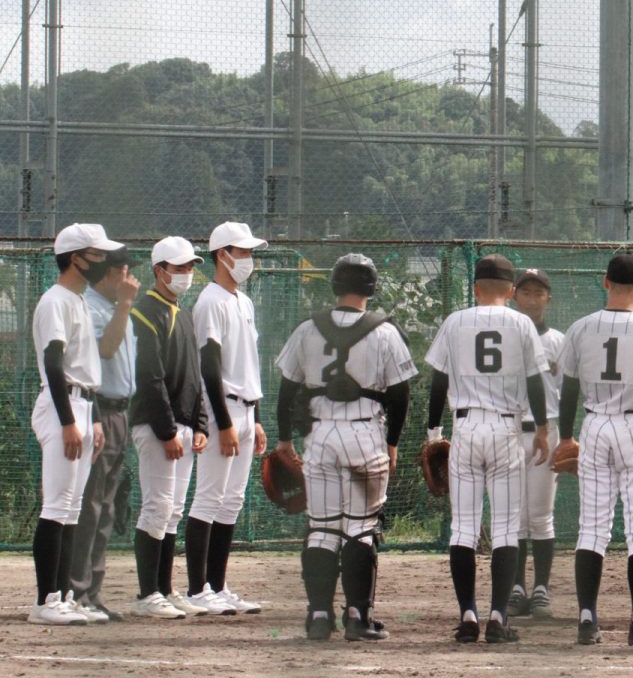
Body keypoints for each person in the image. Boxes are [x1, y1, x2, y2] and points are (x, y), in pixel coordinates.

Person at [275, 254, 415, 642]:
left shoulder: (307, 329)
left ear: (335, 286)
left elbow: (286, 392)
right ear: (371, 289)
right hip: (365, 433)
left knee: (321, 528)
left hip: (320, 436)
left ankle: (319, 615)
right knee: (361, 528)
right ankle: (358, 617)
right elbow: (402, 395)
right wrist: (392, 443)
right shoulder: (385, 332)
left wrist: (285, 439)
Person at [424, 254, 549, 644]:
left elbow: (437, 383)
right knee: (506, 528)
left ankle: (467, 616)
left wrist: (432, 432)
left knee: (462, 528)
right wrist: (543, 428)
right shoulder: (521, 323)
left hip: (465, 428)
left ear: (475, 288)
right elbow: (534, 383)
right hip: (506, 429)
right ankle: (498, 617)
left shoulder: (455, 321)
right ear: (511, 292)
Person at [556, 253, 633, 646]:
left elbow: (568, 390)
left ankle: (588, 620)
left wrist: (565, 436)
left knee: (592, 527)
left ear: (605, 282)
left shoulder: (579, 328)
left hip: (594, 424)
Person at [29, 224, 119, 625]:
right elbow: (54, 362)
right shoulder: (56, 300)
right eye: (96, 253)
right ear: (75, 257)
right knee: (56, 506)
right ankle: (46, 601)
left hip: (83, 405)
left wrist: (94, 419)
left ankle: (64, 595)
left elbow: (86, 369)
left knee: (71, 509)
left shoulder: (78, 300)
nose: (103, 260)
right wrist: (68, 422)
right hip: (62, 404)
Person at [185, 221, 268, 615]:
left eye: (251, 252)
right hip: (225, 408)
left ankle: (218, 585)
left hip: (247, 407)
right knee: (209, 498)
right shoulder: (210, 301)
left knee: (231, 500)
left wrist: (259, 417)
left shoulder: (243, 301)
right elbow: (209, 367)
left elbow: (250, 363)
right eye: (243, 252)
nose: (248, 259)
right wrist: (221, 422)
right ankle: (196, 589)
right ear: (223, 255)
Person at [128, 237, 209, 619]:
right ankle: (147, 594)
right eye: (179, 268)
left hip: (184, 426)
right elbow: (150, 378)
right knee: (157, 507)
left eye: (190, 267)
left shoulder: (184, 313)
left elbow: (195, 376)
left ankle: (165, 587)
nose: (186, 274)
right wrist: (165, 431)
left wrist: (201, 423)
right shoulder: (144, 312)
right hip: (158, 424)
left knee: (173, 509)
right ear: (159, 270)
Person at [69, 246, 139, 622]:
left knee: (107, 507)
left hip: (121, 414)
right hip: (100, 411)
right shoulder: (94, 308)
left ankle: (93, 593)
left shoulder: (114, 309)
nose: (130, 281)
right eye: (125, 272)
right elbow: (105, 353)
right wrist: (126, 307)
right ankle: (77, 592)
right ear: (109, 274)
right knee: (91, 505)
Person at [508, 267, 566, 619]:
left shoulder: (559, 341)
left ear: (548, 297)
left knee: (541, 515)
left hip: (549, 431)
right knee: (515, 516)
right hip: (509, 428)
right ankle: (516, 587)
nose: (531, 298)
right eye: (525, 292)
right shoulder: (506, 336)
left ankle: (541, 588)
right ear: (514, 295)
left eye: (538, 292)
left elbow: (570, 390)